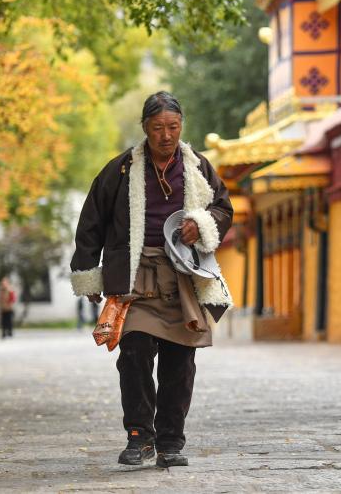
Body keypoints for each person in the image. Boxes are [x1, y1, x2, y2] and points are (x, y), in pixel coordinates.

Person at [70, 91, 233, 468]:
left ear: (181, 126)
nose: (166, 135)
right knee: (134, 352)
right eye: (158, 127)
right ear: (145, 127)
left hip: (182, 276)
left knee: (180, 360)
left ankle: (171, 441)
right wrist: (88, 273)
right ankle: (140, 437)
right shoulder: (120, 170)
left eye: (173, 127)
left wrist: (202, 224)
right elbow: (91, 221)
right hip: (135, 276)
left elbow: (223, 208)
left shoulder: (198, 167)